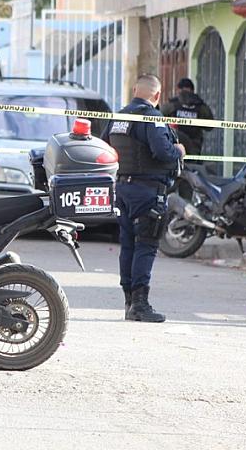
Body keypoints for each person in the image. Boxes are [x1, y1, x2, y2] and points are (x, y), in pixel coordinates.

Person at [101, 74, 185, 323]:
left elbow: (105, 148)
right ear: (157, 96)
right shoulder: (151, 117)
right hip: (147, 192)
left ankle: (129, 302)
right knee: (146, 246)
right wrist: (178, 151)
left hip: (123, 189)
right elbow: (163, 152)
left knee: (127, 246)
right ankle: (140, 304)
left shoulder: (118, 117)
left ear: (134, 90)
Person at [160, 78, 213, 156]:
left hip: (175, 146)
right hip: (194, 148)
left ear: (178, 90)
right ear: (192, 90)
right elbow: (210, 126)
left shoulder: (172, 105)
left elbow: (158, 119)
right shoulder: (201, 107)